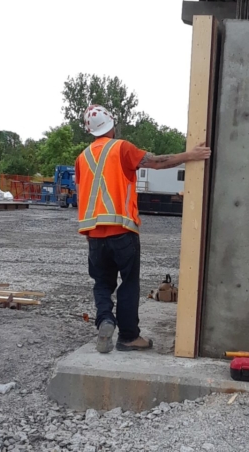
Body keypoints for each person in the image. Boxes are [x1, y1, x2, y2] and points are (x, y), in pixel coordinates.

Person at [75, 104, 211, 354]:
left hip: (93, 234)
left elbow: (84, 196)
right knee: (128, 283)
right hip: (122, 230)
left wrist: (89, 238)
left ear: (90, 131)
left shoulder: (82, 158)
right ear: (112, 125)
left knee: (102, 284)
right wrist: (190, 155)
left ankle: (105, 319)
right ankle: (128, 337)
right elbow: (156, 162)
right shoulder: (121, 148)